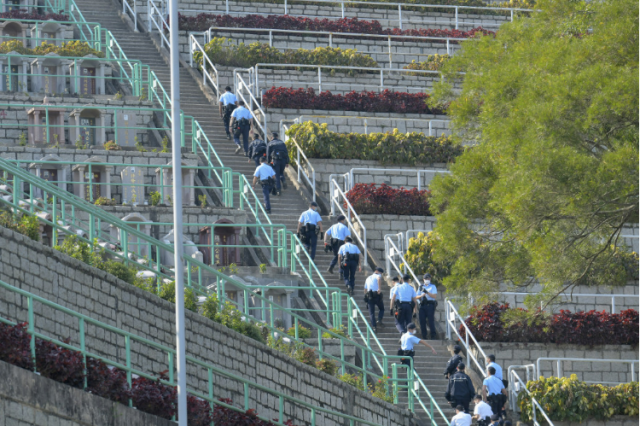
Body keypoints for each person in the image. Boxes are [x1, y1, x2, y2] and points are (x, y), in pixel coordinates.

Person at [416, 273, 438, 340]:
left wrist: (427, 292)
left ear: (430, 279)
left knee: (430, 320)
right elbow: (416, 296)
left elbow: (434, 296)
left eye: (428, 278)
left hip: (430, 305)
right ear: (423, 279)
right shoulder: (421, 286)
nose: (427, 280)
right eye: (426, 279)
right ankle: (424, 335)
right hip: (423, 305)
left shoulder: (433, 286)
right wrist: (422, 295)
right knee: (422, 320)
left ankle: (433, 335)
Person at [364, 267, 385, 331]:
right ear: (377, 271)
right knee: (382, 308)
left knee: (371, 313)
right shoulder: (378, 275)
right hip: (376, 295)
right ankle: (379, 319)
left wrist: (365, 296)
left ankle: (374, 327)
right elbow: (379, 279)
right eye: (381, 273)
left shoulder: (368, 278)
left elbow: (365, 289)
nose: (381, 274)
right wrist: (379, 289)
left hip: (370, 296)